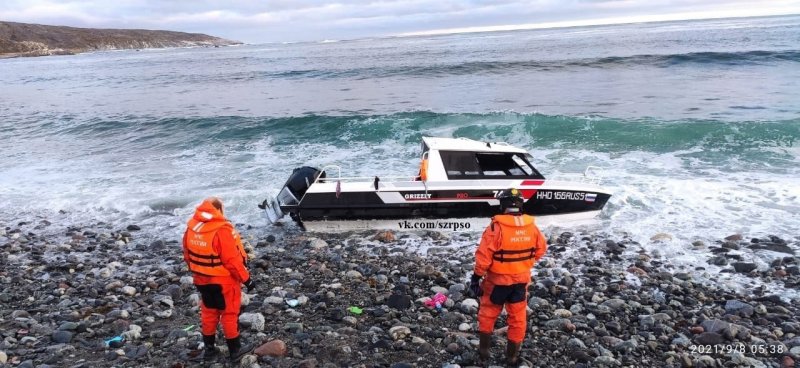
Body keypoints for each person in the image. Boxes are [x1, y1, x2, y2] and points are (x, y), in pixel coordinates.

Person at [468, 188, 548, 365]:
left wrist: (475, 278)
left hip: (497, 281)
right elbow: (542, 249)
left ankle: (483, 354)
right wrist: (525, 263)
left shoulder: (496, 227)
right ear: (520, 205)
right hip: (520, 280)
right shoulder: (531, 226)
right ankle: (512, 358)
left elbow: (483, 257)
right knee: (518, 319)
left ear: (502, 204)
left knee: (488, 314)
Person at [182, 197, 255, 361]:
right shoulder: (221, 230)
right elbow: (232, 261)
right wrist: (247, 280)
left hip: (202, 280)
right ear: (219, 210)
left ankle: (209, 350)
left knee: (208, 312)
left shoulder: (192, 228)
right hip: (224, 281)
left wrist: (197, 272)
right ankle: (235, 351)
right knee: (229, 314)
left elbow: (187, 255)